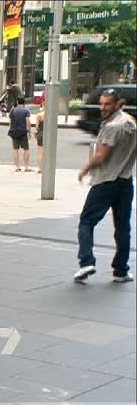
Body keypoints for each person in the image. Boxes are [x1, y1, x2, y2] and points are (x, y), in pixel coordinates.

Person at [74, 88, 136, 284]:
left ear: (117, 104)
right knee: (122, 227)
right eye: (101, 103)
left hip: (105, 182)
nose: (102, 107)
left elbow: (101, 156)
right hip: (125, 181)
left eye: (107, 104)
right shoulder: (130, 123)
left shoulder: (113, 127)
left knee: (86, 221)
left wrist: (85, 169)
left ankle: (86, 262)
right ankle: (121, 270)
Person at [8, 97, 32, 172]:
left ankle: (17, 167)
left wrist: (11, 129)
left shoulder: (13, 110)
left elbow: (10, 122)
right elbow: (28, 122)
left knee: (15, 150)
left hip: (14, 132)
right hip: (23, 132)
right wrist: (29, 132)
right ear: (24, 102)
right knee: (26, 149)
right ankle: (26, 167)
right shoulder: (26, 110)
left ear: (17, 102)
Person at [34, 104, 45, 173]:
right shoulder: (51, 115)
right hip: (48, 134)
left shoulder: (39, 115)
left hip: (41, 133)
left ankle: (40, 168)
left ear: (43, 106)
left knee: (40, 152)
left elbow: (37, 127)